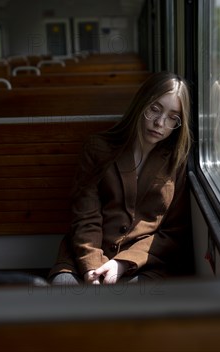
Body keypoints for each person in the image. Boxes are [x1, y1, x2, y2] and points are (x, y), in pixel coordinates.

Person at [48, 72, 193, 286]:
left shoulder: (177, 163)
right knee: (65, 289)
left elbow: (172, 233)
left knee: (131, 301)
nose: (160, 122)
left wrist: (122, 263)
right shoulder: (98, 149)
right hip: (83, 257)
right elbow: (85, 216)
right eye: (155, 109)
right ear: (141, 104)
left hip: (142, 264)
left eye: (173, 117)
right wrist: (92, 266)